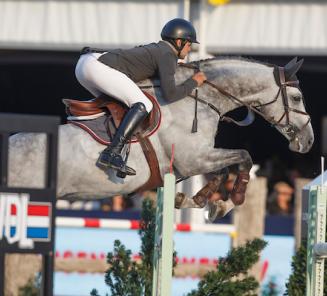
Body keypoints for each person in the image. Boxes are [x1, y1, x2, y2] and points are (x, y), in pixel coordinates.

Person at [75, 18, 207, 176]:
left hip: (85, 66)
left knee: (119, 107)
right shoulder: (168, 55)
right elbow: (170, 94)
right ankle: (112, 153)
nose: (190, 48)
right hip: (96, 67)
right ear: (179, 41)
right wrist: (194, 82)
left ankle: (104, 146)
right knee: (143, 104)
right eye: (189, 44)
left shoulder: (158, 50)